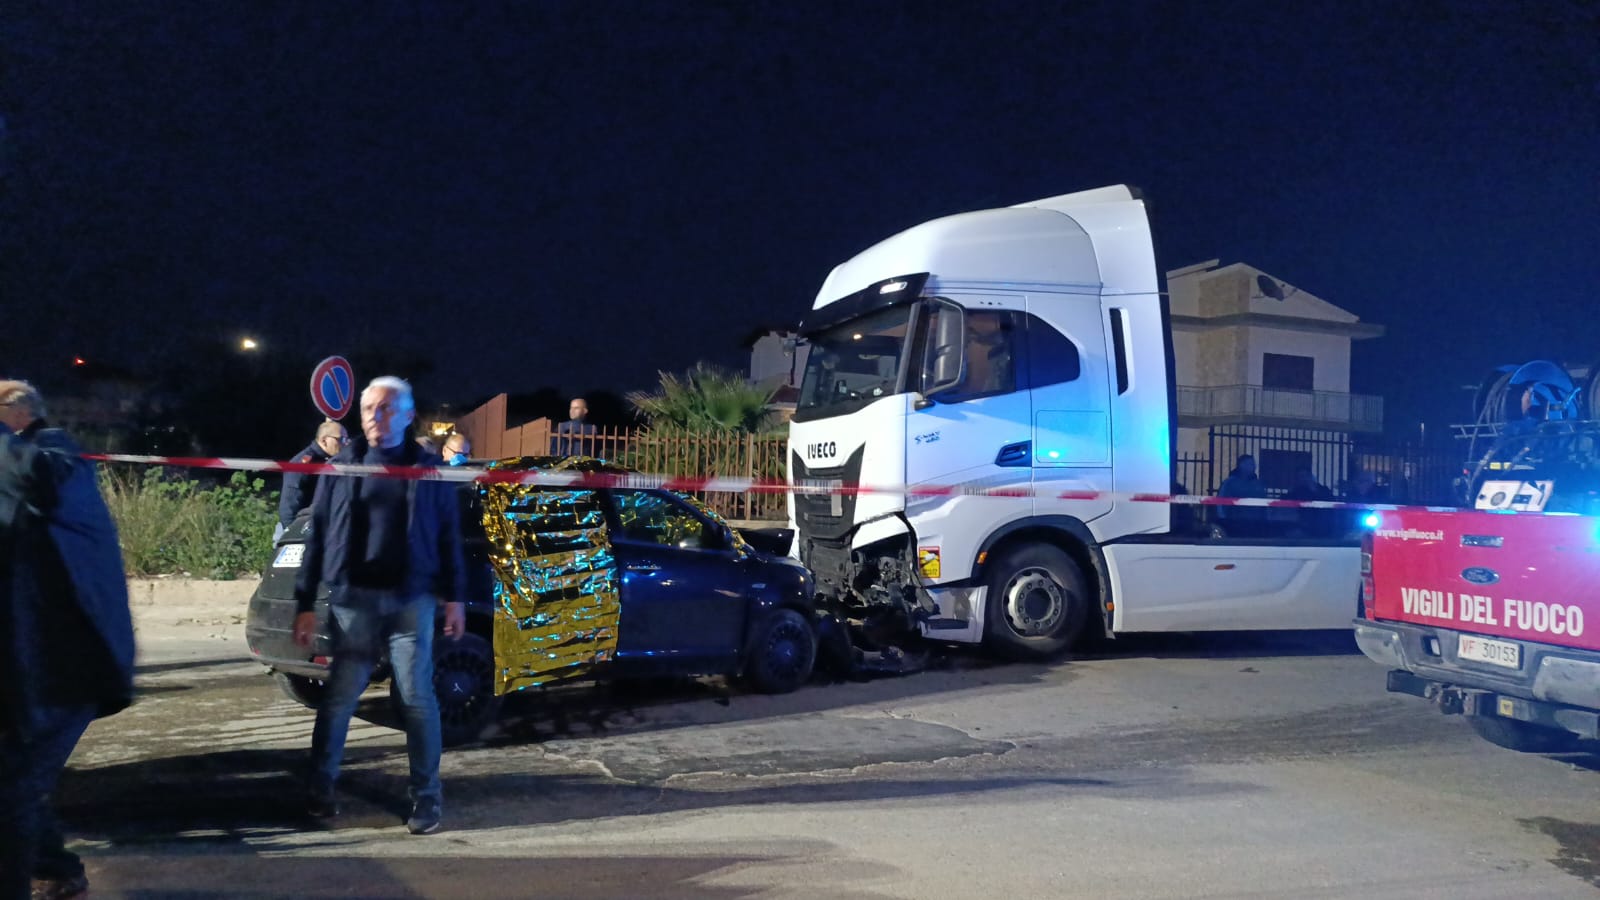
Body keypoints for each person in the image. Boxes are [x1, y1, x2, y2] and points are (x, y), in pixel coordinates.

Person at [292, 376, 466, 835]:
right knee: (339, 700)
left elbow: (450, 537)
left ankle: (427, 799)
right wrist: (304, 603)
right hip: (354, 603)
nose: (375, 416)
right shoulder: (342, 467)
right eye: (369, 408)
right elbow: (318, 535)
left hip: (412, 600)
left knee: (417, 699)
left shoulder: (428, 469)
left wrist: (455, 598)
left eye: (387, 408)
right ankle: (320, 789)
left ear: (408, 416)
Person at [0, 380, 136, 900]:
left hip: (72, 664)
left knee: (11, 791)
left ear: (18, 416)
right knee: (17, 783)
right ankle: (56, 870)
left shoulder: (58, 453)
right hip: (34, 663)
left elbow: (38, 478)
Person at [277, 420, 348, 543]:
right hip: (298, 532)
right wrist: (293, 538)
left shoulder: (335, 462)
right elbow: (289, 506)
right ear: (324, 440)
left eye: (347, 439)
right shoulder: (304, 463)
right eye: (341, 439)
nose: (345, 444)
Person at [1216, 453, 1270, 535]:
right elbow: (1220, 503)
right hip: (1235, 524)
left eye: (1253, 464)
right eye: (1250, 464)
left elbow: (1265, 504)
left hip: (1256, 525)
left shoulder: (1258, 484)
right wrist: (1224, 521)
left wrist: (1265, 521)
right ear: (1241, 465)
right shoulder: (1229, 483)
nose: (1253, 467)